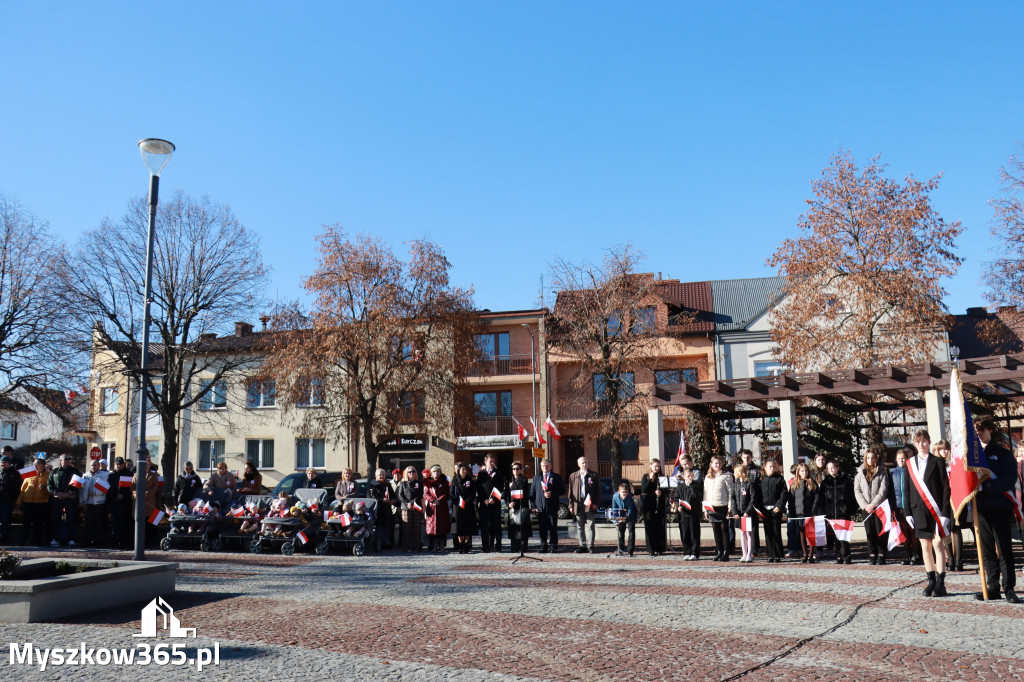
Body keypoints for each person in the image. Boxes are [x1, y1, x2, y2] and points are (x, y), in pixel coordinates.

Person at [973, 417, 1019, 603]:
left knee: (1003, 549)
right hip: (981, 508)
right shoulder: (972, 455)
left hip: (999, 506)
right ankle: (992, 587)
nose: (978, 434)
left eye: (981, 430)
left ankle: (1008, 587)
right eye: (976, 431)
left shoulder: (1002, 453)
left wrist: (985, 487)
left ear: (990, 430)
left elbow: (1008, 479)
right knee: (987, 551)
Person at [855, 444, 892, 566]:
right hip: (866, 508)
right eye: (868, 458)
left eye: (873, 457)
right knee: (869, 532)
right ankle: (872, 554)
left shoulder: (882, 472)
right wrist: (865, 505)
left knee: (880, 531)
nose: (870, 460)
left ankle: (882, 554)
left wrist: (873, 504)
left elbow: (883, 490)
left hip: (879, 507)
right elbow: (857, 490)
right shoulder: (860, 473)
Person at [930, 439, 964, 572]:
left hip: (955, 498)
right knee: (944, 528)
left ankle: (959, 560)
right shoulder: (936, 464)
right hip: (943, 500)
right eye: (941, 449)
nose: (943, 452)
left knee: (956, 528)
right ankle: (949, 558)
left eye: (946, 449)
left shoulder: (954, 463)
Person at [815, 460, 855, 564]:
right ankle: (839, 555)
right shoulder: (825, 483)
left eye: (833, 467)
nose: (831, 470)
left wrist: (851, 510)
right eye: (829, 468)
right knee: (835, 536)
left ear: (837, 468)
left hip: (843, 512)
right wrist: (822, 512)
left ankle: (846, 555)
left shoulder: (846, 481)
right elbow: (821, 500)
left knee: (844, 535)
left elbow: (851, 497)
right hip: (831, 512)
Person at [890, 446, 920, 565]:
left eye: (903, 458)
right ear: (896, 460)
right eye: (899, 458)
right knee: (904, 532)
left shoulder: (912, 471)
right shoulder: (892, 473)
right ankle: (907, 554)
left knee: (913, 532)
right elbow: (891, 491)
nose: (901, 460)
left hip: (911, 506)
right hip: (898, 506)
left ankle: (916, 554)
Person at [47, 454, 81, 547]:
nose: (68, 460)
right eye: (65, 459)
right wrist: (56, 493)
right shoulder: (54, 471)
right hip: (57, 499)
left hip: (69, 499)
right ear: (60, 460)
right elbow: (49, 484)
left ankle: (71, 539)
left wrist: (68, 493)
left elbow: (78, 484)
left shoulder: (75, 471)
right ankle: (55, 539)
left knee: (71, 519)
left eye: (69, 459)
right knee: (56, 519)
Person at [530, 458, 563, 553]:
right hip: (540, 508)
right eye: (543, 465)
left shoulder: (556, 477)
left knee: (553, 527)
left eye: (547, 465)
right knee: (542, 528)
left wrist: (551, 493)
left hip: (552, 506)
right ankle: (543, 545)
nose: (545, 467)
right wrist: (533, 506)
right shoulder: (537, 478)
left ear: (551, 466)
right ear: (540, 467)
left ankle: (553, 545)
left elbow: (561, 490)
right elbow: (532, 494)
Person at [568, 456, 599, 553]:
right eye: (582, 463)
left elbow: (598, 491)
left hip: (590, 503)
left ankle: (590, 546)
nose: (584, 464)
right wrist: (571, 505)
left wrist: (596, 503)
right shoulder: (573, 476)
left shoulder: (593, 475)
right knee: (580, 525)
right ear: (578, 464)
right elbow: (570, 492)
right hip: (578, 503)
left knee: (590, 525)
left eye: (586, 462)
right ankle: (582, 545)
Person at [759, 458, 788, 563]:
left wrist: (779, 505)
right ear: (765, 467)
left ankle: (777, 554)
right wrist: (759, 509)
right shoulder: (761, 480)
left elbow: (784, 494)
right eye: (770, 466)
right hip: (765, 509)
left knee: (776, 531)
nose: (772, 468)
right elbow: (758, 495)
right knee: (768, 532)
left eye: (774, 466)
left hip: (776, 509)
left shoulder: (780, 479)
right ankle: (770, 554)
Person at [703, 455, 732, 561]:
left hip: (722, 505)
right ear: (711, 464)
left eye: (719, 463)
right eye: (715, 463)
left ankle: (726, 552)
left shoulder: (727, 475)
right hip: (711, 506)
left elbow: (730, 492)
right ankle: (719, 551)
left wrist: (730, 508)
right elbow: (705, 493)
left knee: (724, 529)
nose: (718, 465)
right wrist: (705, 509)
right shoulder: (708, 477)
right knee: (715, 529)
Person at [788, 462, 818, 563]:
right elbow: (791, 500)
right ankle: (805, 554)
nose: (804, 473)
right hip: (799, 513)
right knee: (802, 534)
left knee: (811, 534)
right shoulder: (794, 484)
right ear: (798, 472)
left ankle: (811, 555)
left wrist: (814, 510)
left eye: (806, 471)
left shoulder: (812, 483)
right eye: (802, 471)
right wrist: (791, 513)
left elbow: (817, 498)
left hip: (810, 513)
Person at [476, 454, 505, 552]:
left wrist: (494, 499)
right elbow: (479, 489)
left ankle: (498, 546)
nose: (492, 463)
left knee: (496, 526)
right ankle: (485, 546)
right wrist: (483, 499)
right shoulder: (481, 474)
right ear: (485, 462)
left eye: (493, 461)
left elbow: (500, 488)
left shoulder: (498, 473)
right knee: (485, 527)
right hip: (484, 504)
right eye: (490, 462)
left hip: (495, 504)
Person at [730, 464, 758, 562]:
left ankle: (750, 554)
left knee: (749, 533)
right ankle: (744, 554)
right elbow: (732, 498)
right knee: (742, 533)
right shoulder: (735, 484)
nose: (734, 474)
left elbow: (753, 498)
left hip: (747, 514)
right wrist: (734, 512)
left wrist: (748, 511)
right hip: (739, 513)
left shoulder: (749, 484)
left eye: (735, 472)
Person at [19, 457, 50, 545]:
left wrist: (45, 489)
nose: (34, 465)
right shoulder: (29, 474)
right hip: (27, 502)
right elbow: (23, 489)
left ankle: (38, 540)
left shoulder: (48, 475)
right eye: (34, 464)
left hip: (41, 503)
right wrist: (18, 502)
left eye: (36, 464)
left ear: (43, 465)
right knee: (26, 523)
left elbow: (50, 492)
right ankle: (23, 540)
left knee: (38, 523)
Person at [79, 459, 109, 547]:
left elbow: (105, 488)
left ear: (98, 466)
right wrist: (81, 501)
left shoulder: (104, 475)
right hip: (88, 503)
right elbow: (82, 489)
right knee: (88, 523)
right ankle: (87, 541)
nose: (93, 467)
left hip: (99, 503)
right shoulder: (85, 475)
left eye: (95, 465)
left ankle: (97, 542)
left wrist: (95, 493)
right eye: (92, 465)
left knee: (98, 523)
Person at [640, 459, 667, 556]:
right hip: (649, 505)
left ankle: (660, 548)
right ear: (650, 466)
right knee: (650, 526)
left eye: (658, 467)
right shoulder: (646, 476)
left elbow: (666, 491)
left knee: (660, 526)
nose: (657, 468)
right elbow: (644, 489)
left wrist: (661, 493)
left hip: (659, 504)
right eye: (655, 466)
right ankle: (651, 549)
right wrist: (650, 480)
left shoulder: (662, 477)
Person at [133, 456, 161, 549]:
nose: (146, 467)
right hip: (138, 502)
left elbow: (155, 488)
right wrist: (136, 493)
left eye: (148, 465)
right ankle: (138, 544)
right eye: (145, 465)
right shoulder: (136, 475)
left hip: (149, 502)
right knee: (138, 523)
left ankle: (149, 543)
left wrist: (146, 494)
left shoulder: (153, 476)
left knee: (149, 524)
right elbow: (132, 487)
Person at [676, 467, 703, 560]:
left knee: (694, 533)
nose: (690, 478)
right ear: (683, 477)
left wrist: (691, 486)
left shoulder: (696, 486)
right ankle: (686, 551)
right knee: (685, 533)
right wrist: (678, 506)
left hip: (693, 513)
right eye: (688, 476)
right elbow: (676, 498)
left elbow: (697, 496)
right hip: (683, 513)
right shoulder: (680, 487)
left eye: (691, 476)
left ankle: (695, 553)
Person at [107, 457, 133, 549]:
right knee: (115, 523)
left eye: (120, 464)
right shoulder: (111, 475)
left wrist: (123, 495)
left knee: (124, 523)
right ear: (114, 464)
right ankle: (115, 541)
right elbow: (109, 489)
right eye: (117, 464)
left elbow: (130, 489)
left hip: (125, 503)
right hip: (114, 503)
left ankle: (123, 541)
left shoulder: (128, 474)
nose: (119, 466)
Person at [424, 464, 451, 552]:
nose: (436, 473)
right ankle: (435, 546)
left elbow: (447, 493)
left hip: (442, 507)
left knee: (442, 527)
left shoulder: (444, 482)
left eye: (438, 471)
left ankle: (442, 546)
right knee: (433, 528)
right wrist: (433, 500)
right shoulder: (428, 482)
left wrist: (438, 500)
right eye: (434, 472)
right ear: (431, 473)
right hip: (432, 508)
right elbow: (426, 494)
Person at [367, 468, 396, 551]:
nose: (381, 476)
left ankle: (388, 543)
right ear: (376, 476)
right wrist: (382, 499)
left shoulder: (387, 484)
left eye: (383, 474)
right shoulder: (373, 485)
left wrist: (393, 500)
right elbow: (373, 497)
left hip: (387, 509)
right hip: (378, 509)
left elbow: (392, 495)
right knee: (379, 527)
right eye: (380, 474)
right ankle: (378, 544)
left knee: (388, 527)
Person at [506, 462, 532, 553]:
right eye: (513, 469)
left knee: (523, 528)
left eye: (517, 469)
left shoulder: (524, 480)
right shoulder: (509, 480)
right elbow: (506, 495)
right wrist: (509, 503)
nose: (515, 470)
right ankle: (514, 547)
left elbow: (524, 493)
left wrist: (515, 501)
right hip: (513, 508)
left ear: (520, 470)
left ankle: (523, 547)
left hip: (522, 506)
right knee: (513, 528)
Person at [452, 463, 478, 554]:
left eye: (465, 469)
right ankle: (461, 544)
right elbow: (451, 493)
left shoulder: (470, 481)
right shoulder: (455, 481)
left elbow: (473, 493)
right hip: (458, 507)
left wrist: (467, 502)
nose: (464, 471)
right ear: (458, 471)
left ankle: (466, 544)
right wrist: (458, 502)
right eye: (462, 469)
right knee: (459, 527)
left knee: (467, 526)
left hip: (468, 506)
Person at [397, 466, 424, 553]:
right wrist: (407, 503)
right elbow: (400, 495)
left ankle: (416, 547)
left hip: (416, 507)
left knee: (417, 527)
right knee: (406, 528)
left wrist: (412, 502)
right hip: (405, 508)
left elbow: (420, 495)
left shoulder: (419, 483)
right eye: (409, 472)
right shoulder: (403, 483)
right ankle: (407, 547)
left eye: (413, 471)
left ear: (416, 473)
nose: (411, 473)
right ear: (406, 474)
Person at [611, 482, 638, 557]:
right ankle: (620, 548)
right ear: (619, 491)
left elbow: (630, 510)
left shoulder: (629, 498)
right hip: (621, 514)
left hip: (631, 515)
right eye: (623, 492)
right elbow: (614, 508)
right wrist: (616, 519)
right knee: (621, 531)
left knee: (631, 532)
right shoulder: (615, 496)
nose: (625, 494)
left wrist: (626, 518)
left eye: (626, 492)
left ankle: (630, 550)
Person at [0, 455, 21, 544]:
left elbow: (17, 487)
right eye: (1, 462)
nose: (3, 464)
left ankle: (5, 539)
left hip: (7, 500)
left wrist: (4, 488)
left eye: (5, 462)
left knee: (5, 520)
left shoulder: (15, 474)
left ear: (9, 463)